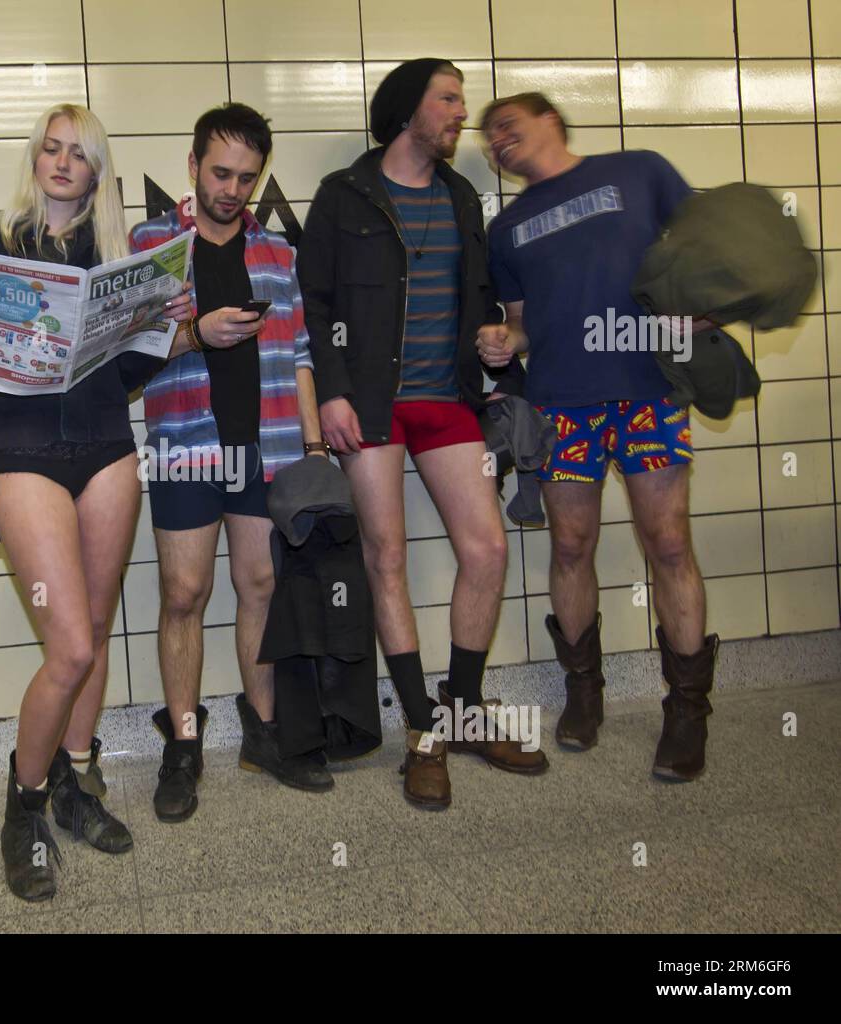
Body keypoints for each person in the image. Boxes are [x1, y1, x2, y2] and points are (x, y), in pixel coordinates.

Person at [0, 103, 195, 900]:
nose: (64, 161)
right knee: (69, 645)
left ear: (98, 171)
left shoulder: (122, 254)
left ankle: (73, 780)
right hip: (24, 448)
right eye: (54, 148)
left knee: (97, 631)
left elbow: (131, 372)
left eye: (81, 153)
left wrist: (170, 328)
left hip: (106, 446)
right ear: (37, 159)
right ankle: (24, 805)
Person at [298, 59, 548, 811]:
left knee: (487, 548)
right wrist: (334, 396)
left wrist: (502, 337)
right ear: (408, 107)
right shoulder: (346, 196)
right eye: (447, 98)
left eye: (461, 100)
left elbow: (483, 302)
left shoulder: (461, 195)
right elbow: (314, 305)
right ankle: (421, 732)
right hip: (372, 405)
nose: (460, 113)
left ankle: (462, 709)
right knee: (387, 557)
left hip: (447, 399)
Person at [479, 92, 719, 781]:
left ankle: (687, 712)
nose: (497, 141)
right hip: (562, 404)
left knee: (669, 543)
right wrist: (504, 341)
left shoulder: (638, 171)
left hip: (648, 390)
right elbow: (522, 323)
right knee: (571, 546)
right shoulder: (509, 227)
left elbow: (710, 250)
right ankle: (584, 692)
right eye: (488, 138)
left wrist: (709, 311)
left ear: (549, 119)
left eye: (506, 126)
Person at [129, 102, 331, 823]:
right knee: (183, 593)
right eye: (219, 172)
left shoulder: (279, 256)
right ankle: (183, 743)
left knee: (260, 584)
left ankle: (265, 734)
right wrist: (195, 333)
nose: (232, 188)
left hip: (266, 445)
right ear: (192, 165)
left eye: (246, 177)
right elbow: (128, 350)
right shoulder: (152, 245)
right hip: (185, 445)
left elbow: (301, 357)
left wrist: (312, 449)